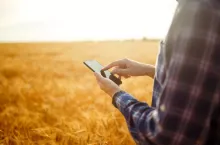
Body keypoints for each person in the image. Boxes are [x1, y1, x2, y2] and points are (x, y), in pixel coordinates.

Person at [94, 1, 220, 145]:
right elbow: (206, 82)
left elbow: (167, 136)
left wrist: (116, 93)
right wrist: (150, 70)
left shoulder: (199, 8)